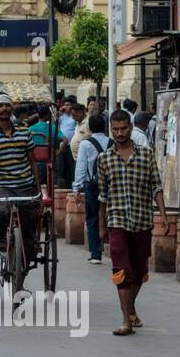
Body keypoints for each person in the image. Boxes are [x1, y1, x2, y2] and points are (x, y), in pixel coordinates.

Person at [96, 109, 167, 335]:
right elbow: (102, 196)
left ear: (130, 127)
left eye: (123, 128)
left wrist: (163, 214)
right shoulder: (104, 159)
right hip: (116, 221)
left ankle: (131, 307)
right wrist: (101, 225)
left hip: (142, 220)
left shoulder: (146, 155)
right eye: (115, 129)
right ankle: (126, 320)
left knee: (138, 270)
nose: (119, 133)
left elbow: (156, 186)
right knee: (121, 268)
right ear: (111, 129)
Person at [0, 94, 41, 265]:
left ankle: (22, 272)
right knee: (3, 212)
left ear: (11, 108)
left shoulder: (24, 132)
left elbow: (32, 161)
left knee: (30, 231)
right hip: (5, 187)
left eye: (7, 105)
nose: (4, 108)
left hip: (26, 186)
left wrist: (39, 189)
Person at [73, 112, 110, 264]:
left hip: (92, 185)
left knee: (92, 218)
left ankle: (96, 253)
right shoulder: (112, 142)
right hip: (110, 184)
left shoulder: (86, 144)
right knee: (112, 217)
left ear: (89, 127)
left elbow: (81, 166)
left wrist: (77, 187)